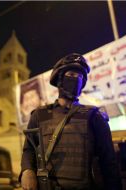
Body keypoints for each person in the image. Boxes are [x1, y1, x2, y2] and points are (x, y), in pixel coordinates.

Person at [20, 53, 122, 190]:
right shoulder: (42, 115)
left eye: (80, 77)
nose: (76, 80)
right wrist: (27, 170)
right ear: (60, 79)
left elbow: (109, 163)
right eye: (72, 75)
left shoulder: (92, 116)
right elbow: (29, 149)